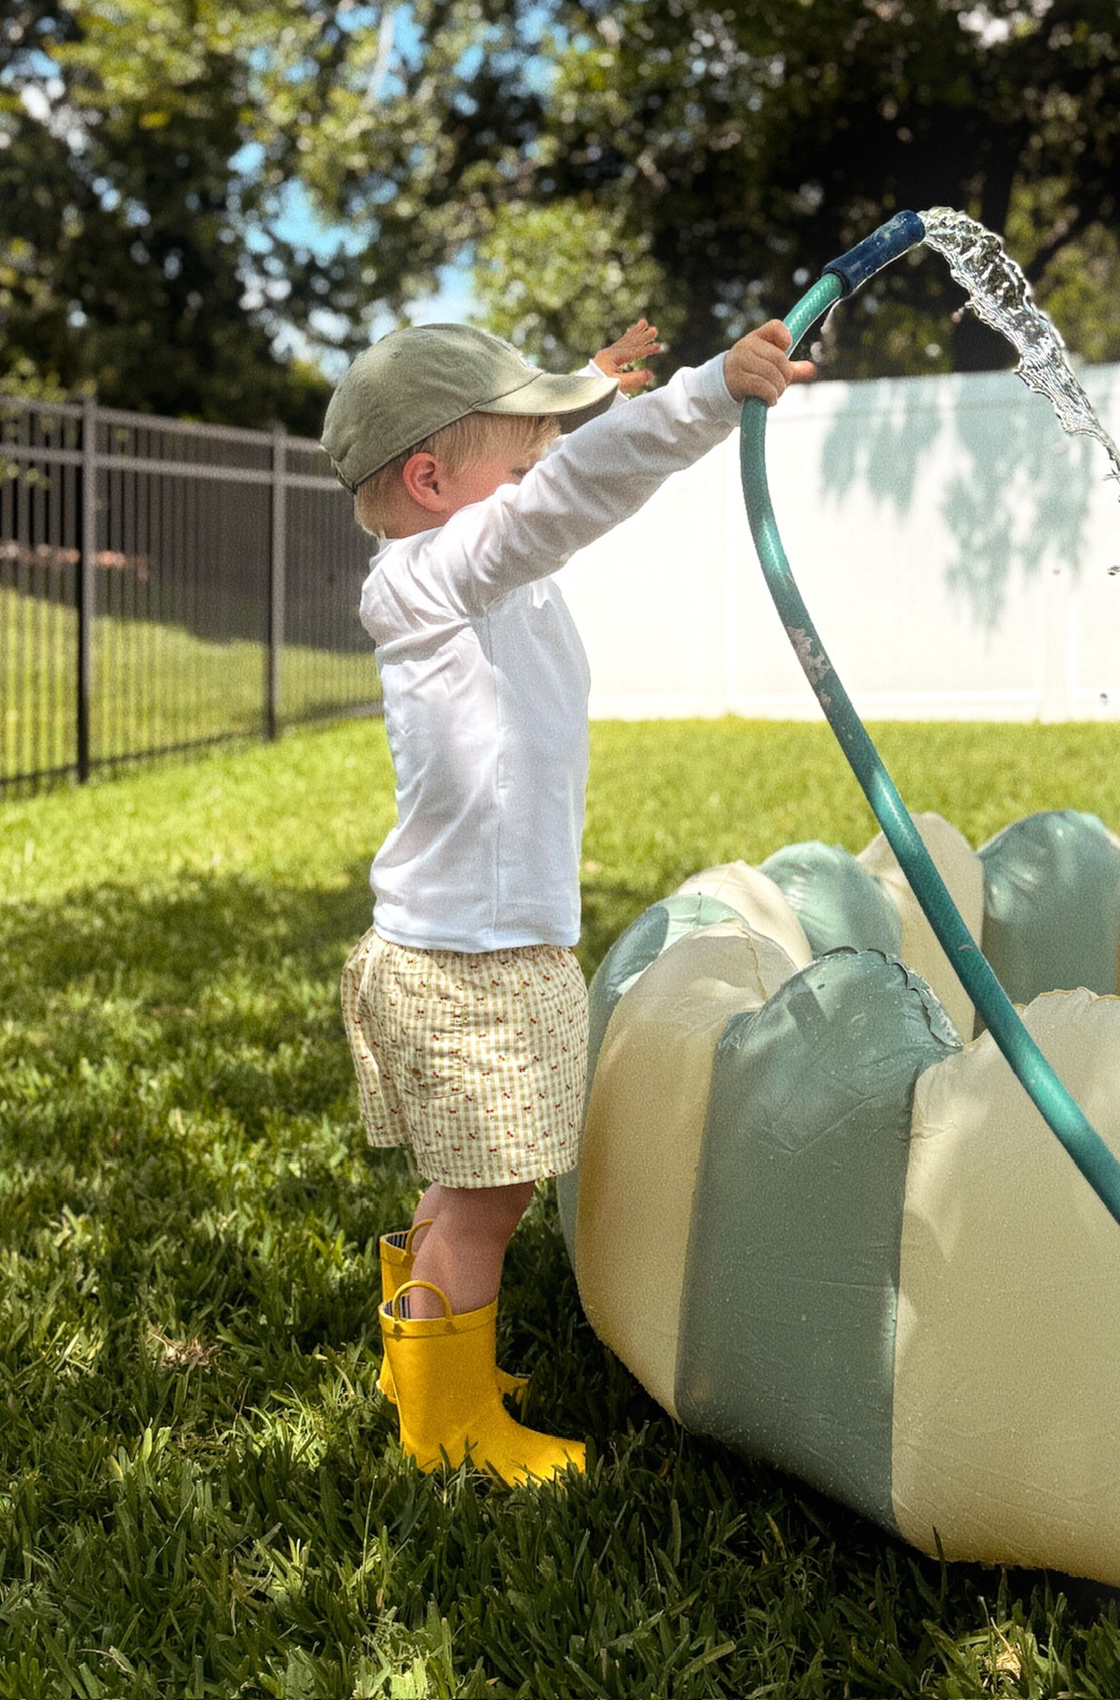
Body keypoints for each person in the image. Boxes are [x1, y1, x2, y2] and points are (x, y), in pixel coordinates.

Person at [321, 309, 813, 1485]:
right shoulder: (443, 573)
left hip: (467, 941)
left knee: (463, 1181)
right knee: (489, 1196)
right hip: (473, 959)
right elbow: (568, 496)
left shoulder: (454, 561)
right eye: (519, 452)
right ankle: (446, 1421)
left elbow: (539, 482)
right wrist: (706, 394)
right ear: (431, 481)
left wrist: (582, 386)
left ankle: (423, 1365)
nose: (542, 464)